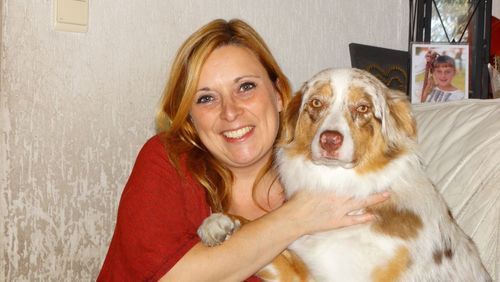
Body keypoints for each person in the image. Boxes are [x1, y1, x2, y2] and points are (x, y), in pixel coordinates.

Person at [97, 18, 390, 282]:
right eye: (206, 98)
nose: (230, 112)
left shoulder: (329, 176)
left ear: (278, 95)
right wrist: (299, 216)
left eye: (246, 87)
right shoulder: (168, 161)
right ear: (189, 116)